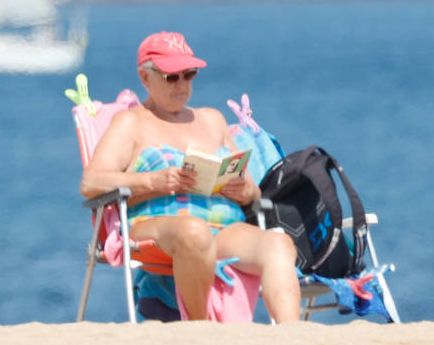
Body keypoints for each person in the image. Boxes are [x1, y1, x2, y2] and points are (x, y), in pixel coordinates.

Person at [81, 31, 301, 323]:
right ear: (145, 78)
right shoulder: (130, 123)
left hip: (223, 229)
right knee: (194, 232)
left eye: (189, 74)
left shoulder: (212, 119)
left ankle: (293, 337)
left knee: (278, 243)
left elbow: (252, 193)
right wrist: (153, 182)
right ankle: (200, 328)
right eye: (172, 77)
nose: (182, 84)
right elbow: (91, 183)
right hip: (155, 229)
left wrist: (243, 189)